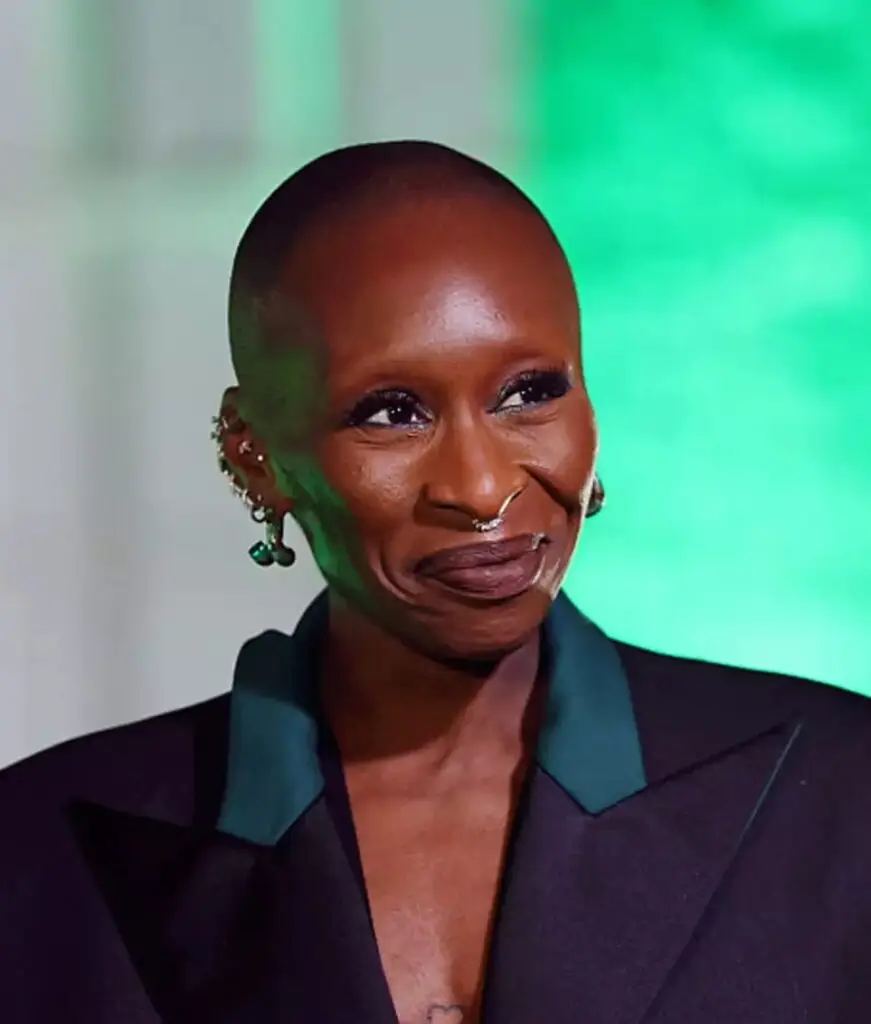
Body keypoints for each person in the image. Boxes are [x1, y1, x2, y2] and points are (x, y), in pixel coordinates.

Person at [1, 140, 870, 1024]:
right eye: (392, 413)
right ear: (254, 455)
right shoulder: (35, 853)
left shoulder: (841, 792)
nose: (482, 488)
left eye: (529, 393)